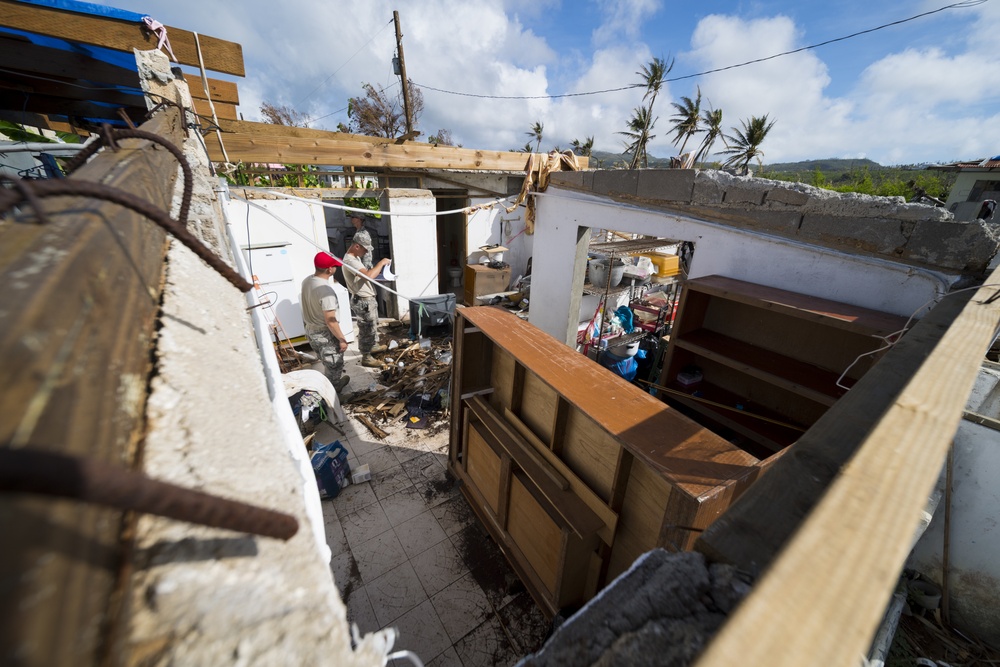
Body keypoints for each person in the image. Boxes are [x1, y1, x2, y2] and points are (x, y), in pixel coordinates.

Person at [301, 252, 350, 392]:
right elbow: (331, 321)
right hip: (325, 334)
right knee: (334, 364)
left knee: (326, 361)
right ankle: (333, 395)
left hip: (311, 331)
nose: (336, 268)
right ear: (329, 269)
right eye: (335, 266)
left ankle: (334, 384)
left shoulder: (307, 280)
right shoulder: (325, 291)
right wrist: (341, 339)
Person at [342, 241, 390, 367]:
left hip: (366, 299)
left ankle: (372, 346)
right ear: (356, 246)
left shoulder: (356, 257)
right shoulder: (350, 261)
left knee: (372, 326)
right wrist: (381, 263)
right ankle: (366, 357)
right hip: (363, 301)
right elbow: (368, 276)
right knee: (366, 329)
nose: (367, 252)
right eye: (365, 249)